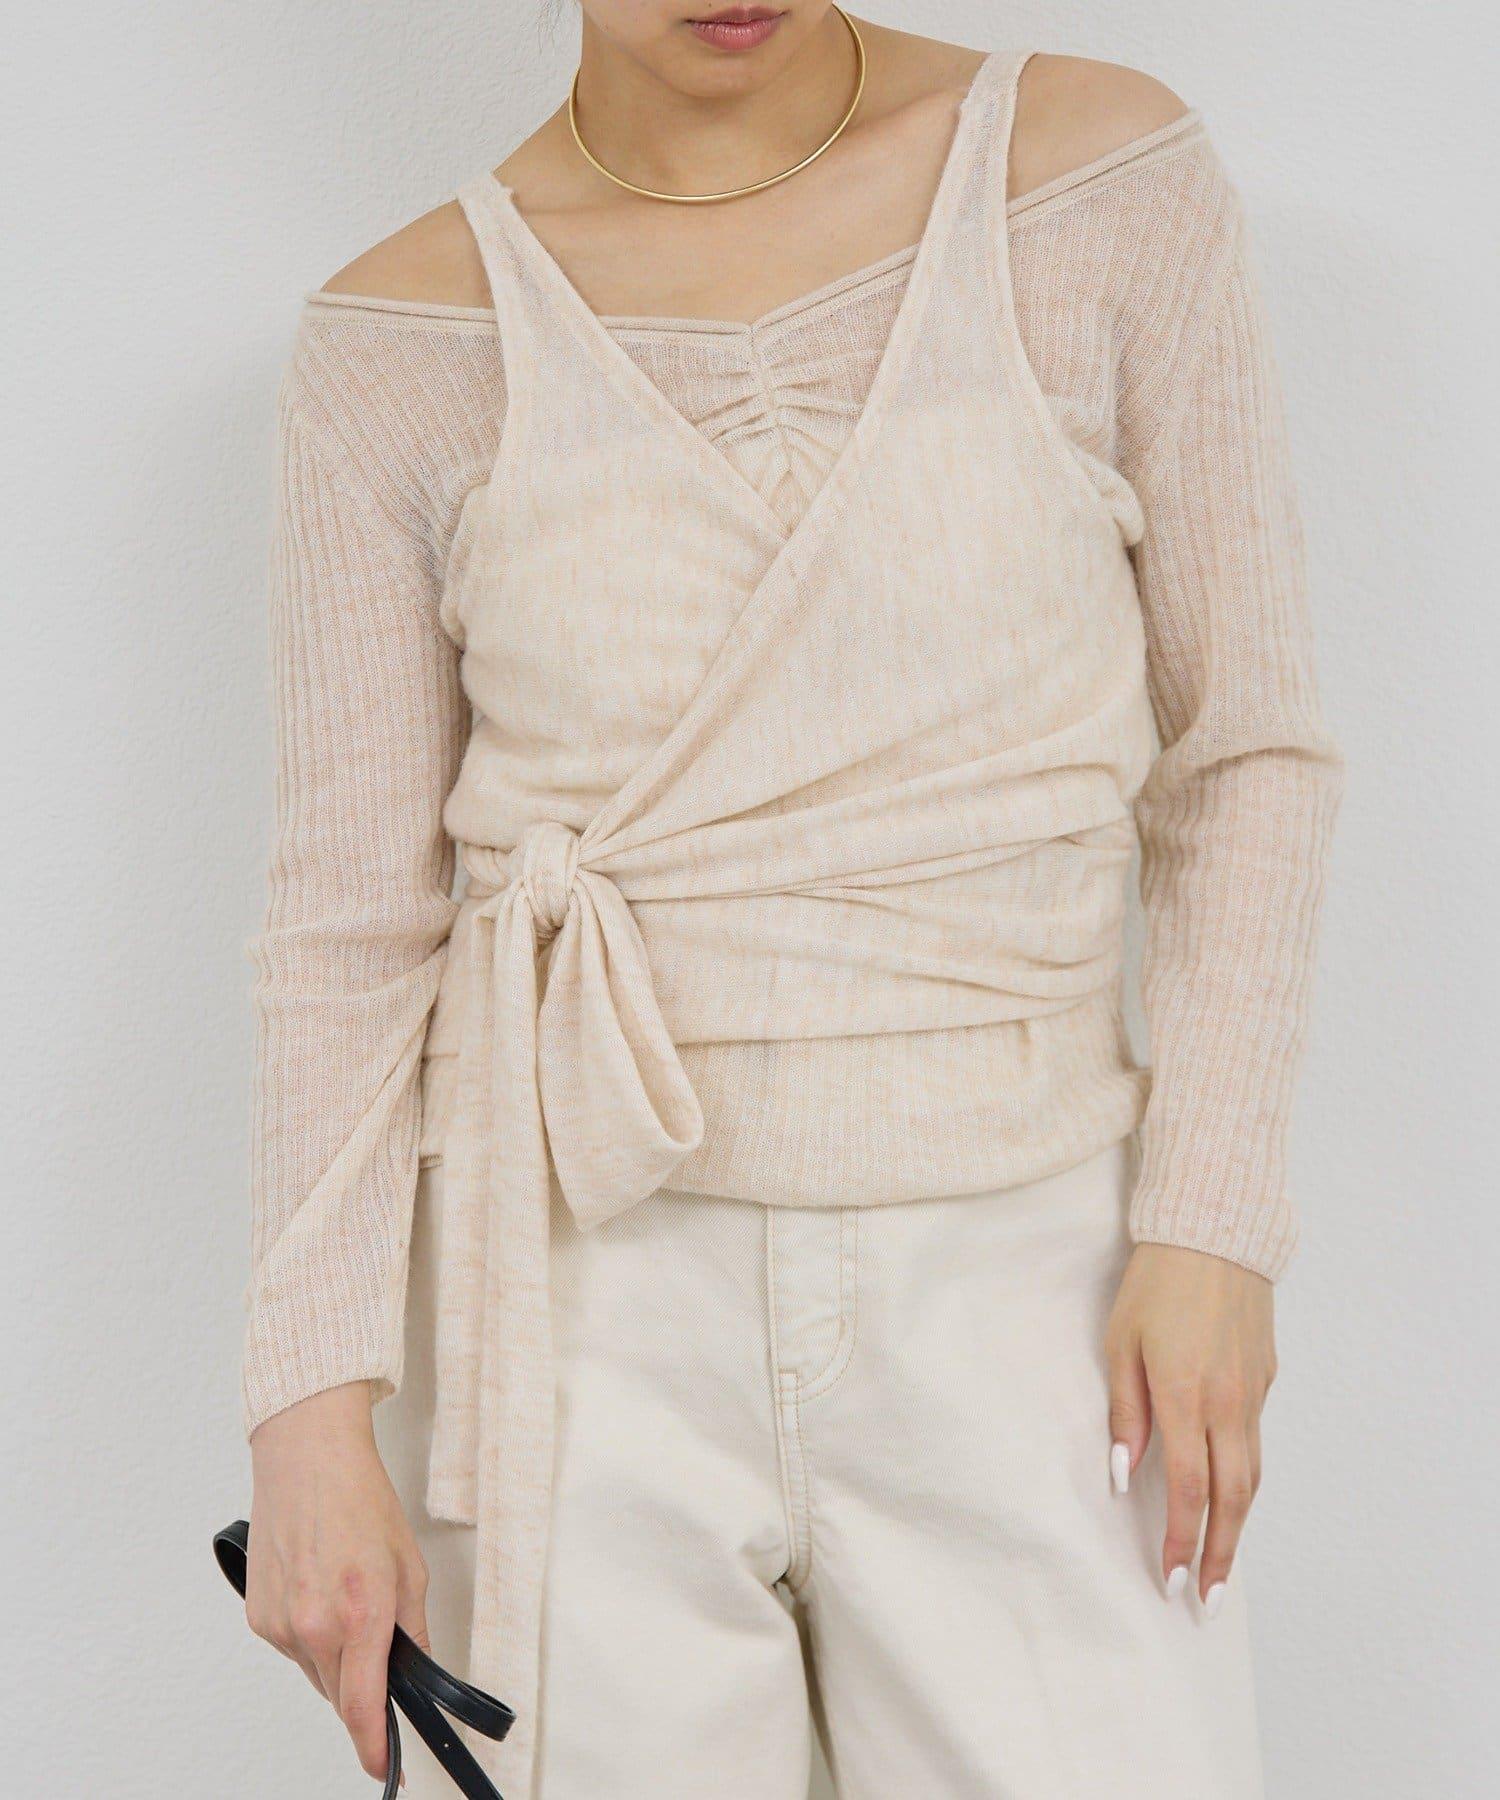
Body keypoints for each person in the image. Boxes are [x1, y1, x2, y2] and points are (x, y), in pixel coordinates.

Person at [238, 6, 1344, 1796]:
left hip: (1037, 1285)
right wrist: (307, 1411)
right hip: (574, 1310)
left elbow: (1247, 752)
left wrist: (1213, 1225)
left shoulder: (1094, 181)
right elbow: (350, 929)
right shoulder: (398, 340)